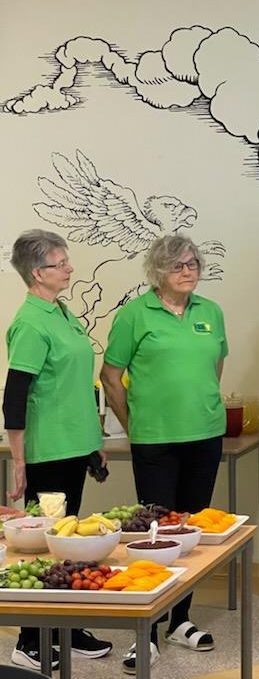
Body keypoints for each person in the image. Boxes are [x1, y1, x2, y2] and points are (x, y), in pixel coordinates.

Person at [101, 234, 227, 674]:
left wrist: (200, 405)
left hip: (205, 436)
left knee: (191, 533)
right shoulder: (135, 314)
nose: (188, 271)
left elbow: (214, 366)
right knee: (157, 534)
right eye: (178, 266)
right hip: (155, 440)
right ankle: (148, 631)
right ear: (158, 273)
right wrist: (135, 425)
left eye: (193, 264)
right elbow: (111, 376)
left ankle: (180, 620)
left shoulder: (210, 312)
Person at [2, 229, 112, 671]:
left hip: (73, 446)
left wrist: (93, 444)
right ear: (36, 273)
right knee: (45, 547)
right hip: (47, 452)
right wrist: (19, 459)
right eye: (60, 263)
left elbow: (73, 387)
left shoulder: (62, 314)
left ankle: (65, 628)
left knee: (68, 546)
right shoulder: (31, 323)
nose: (69, 269)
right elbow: (15, 397)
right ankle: (30, 639)